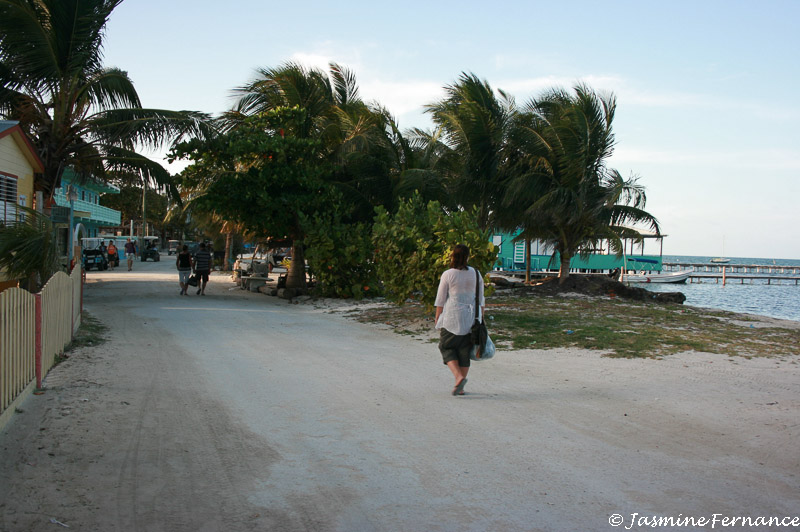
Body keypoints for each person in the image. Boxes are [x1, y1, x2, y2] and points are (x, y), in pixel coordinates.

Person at [434, 244, 485, 396]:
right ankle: (460, 388)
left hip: (452, 318)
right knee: (464, 351)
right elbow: (481, 298)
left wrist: (438, 317)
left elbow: (441, 299)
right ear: (468, 256)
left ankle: (458, 378)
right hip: (471, 319)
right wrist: (481, 318)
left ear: (453, 257)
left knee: (446, 347)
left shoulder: (448, 274)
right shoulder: (476, 274)